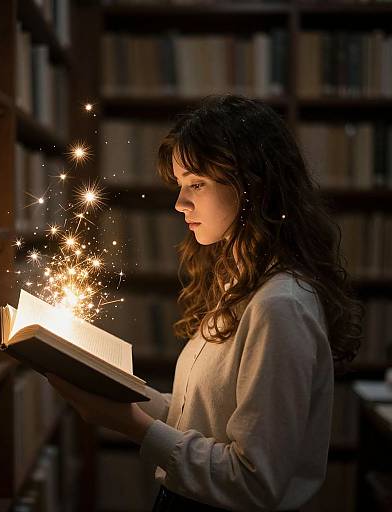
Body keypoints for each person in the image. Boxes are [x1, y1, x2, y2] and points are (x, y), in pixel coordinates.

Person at [46, 94, 362, 511]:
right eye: (180, 185)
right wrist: (123, 395)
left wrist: (132, 425)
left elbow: (254, 481)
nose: (180, 204)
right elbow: (204, 421)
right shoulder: (239, 283)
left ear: (253, 183)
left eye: (197, 184)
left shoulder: (280, 306)